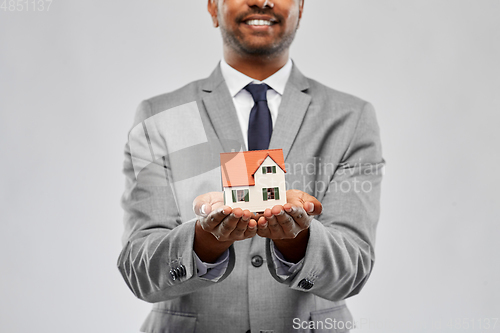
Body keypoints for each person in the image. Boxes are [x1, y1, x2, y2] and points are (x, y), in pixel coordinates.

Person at [118, 0, 384, 332]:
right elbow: (139, 271)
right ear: (213, 7)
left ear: (301, 7)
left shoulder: (350, 118)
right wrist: (205, 241)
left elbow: (353, 269)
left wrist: (297, 241)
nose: (262, 0)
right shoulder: (159, 116)